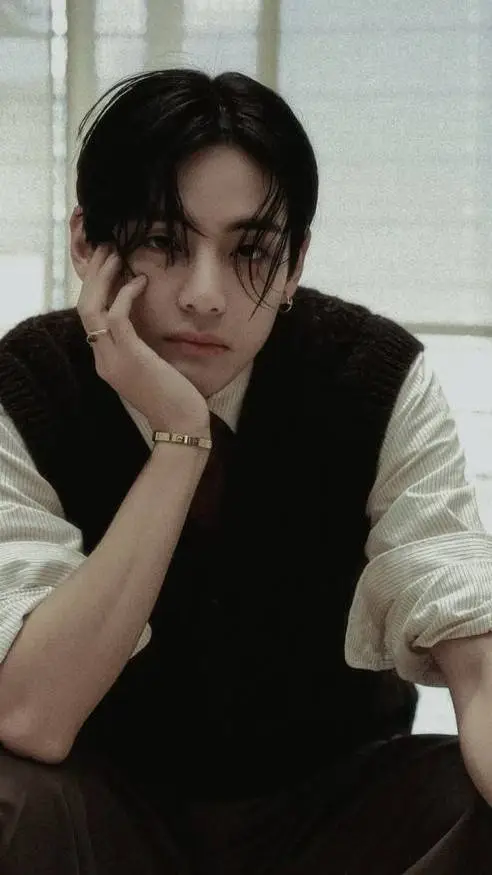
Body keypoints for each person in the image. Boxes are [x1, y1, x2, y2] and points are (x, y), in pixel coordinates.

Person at [0, 67, 490, 875]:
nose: (206, 295)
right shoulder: (27, 389)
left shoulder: (370, 376)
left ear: (294, 263)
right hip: (107, 813)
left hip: (333, 816)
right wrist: (179, 444)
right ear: (87, 243)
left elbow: (468, 622)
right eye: (164, 241)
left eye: (251, 252)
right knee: (10, 794)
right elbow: (31, 715)